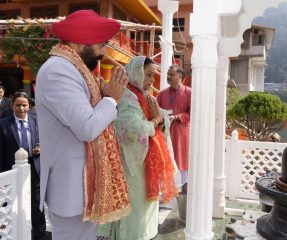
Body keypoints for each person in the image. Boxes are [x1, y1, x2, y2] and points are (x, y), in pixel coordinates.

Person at [35, 10, 131, 240]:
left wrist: (107, 96)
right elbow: (87, 127)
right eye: (102, 44)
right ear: (82, 41)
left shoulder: (77, 69)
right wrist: (111, 99)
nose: (104, 51)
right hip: (71, 187)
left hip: (85, 185)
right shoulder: (58, 70)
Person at [98, 56, 178, 240]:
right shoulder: (126, 97)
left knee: (144, 213)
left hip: (144, 167)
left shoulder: (142, 96)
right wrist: (156, 120)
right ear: (136, 73)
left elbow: (159, 119)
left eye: (153, 75)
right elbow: (135, 128)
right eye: (148, 75)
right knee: (133, 216)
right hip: (130, 168)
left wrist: (160, 118)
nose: (152, 79)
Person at [0, 92, 48, 240]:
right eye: (18, 105)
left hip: (34, 166)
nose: (21, 108)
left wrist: (40, 147)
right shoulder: (3, 124)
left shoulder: (37, 120)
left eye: (24, 105)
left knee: (36, 200)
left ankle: (39, 232)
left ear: (29, 106)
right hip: (10, 169)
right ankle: (7, 230)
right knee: (10, 201)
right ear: (12, 105)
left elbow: (45, 140)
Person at [157, 65, 191, 185]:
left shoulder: (188, 92)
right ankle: (165, 192)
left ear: (180, 76)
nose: (168, 77)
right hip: (165, 131)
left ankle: (182, 188)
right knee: (165, 159)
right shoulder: (161, 94)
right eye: (168, 74)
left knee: (181, 159)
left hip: (181, 132)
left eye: (172, 74)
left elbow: (192, 113)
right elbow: (155, 111)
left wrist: (177, 117)